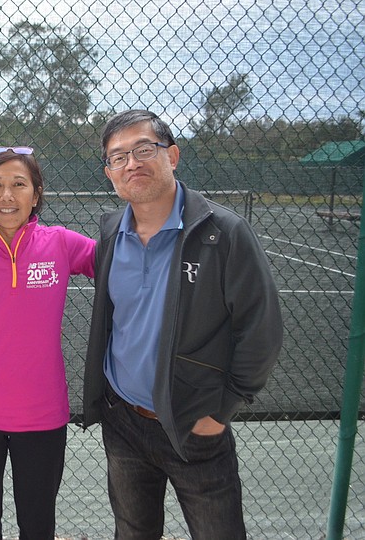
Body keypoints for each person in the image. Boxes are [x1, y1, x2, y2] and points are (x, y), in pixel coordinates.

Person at [82, 109, 283, 539]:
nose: (131, 163)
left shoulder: (224, 233)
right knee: (133, 532)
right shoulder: (110, 233)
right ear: (109, 173)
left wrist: (219, 411)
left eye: (143, 149)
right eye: (118, 157)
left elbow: (261, 330)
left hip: (194, 424)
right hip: (123, 421)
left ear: (172, 155)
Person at [0, 146, 96, 539]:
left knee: (37, 525)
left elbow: (118, 264)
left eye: (18, 184)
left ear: (37, 193)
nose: (7, 196)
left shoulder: (61, 243)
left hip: (43, 414)